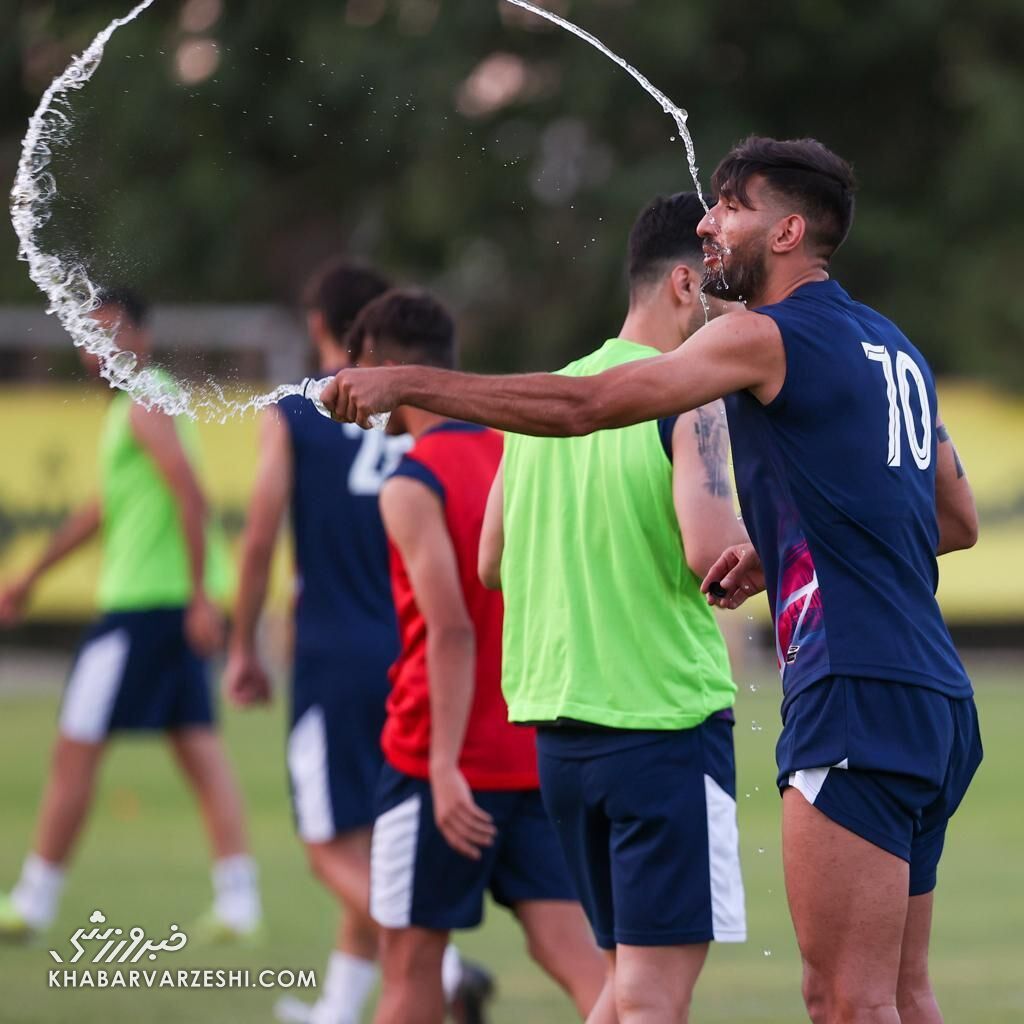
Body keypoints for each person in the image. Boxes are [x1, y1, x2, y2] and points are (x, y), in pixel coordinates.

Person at [319, 137, 983, 1024]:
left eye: (732, 207)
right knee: (904, 993)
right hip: (934, 697)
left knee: (843, 1002)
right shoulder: (894, 346)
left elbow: (590, 406)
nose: (709, 224)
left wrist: (410, 384)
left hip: (852, 693)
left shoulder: (760, 335)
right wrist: (792, 549)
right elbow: (953, 520)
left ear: (787, 231)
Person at [475, 191, 748, 1024]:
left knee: (626, 993)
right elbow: (714, 555)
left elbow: (491, 564)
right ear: (681, 283)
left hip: (563, 741)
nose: (724, 316)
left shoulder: (547, 402)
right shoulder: (688, 400)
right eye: (717, 292)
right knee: (655, 999)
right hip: (662, 727)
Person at [225, 261, 491, 1024]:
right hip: (413, 652)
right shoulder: (422, 408)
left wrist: (243, 646)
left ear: (325, 331)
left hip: (333, 655)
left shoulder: (298, 411)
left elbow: (258, 535)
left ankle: (444, 977)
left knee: (326, 848)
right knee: (381, 846)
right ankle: (337, 1012)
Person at [351, 289, 607, 1024]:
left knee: (409, 967)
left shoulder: (412, 479)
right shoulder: (520, 452)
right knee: (580, 960)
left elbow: (451, 630)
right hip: (535, 748)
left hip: (439, 764)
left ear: (384, 366)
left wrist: (441, 765)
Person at [0, 288, 261, 943]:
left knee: (73, 751)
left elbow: (191, 493)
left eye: (111, 332)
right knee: (199, 750)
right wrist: (31, 575)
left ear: (142, 337)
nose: (96, 348)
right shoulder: (141, 403)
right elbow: (100, 510)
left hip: (143, 609)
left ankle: (32, 900)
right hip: (164, 606)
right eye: (89, 335)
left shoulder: (145, 399)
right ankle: (240, 902)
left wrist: (201, 594)